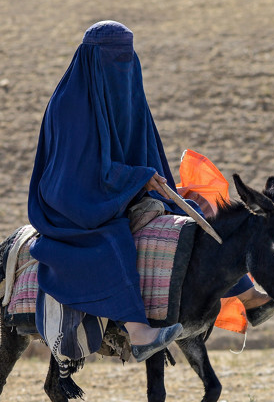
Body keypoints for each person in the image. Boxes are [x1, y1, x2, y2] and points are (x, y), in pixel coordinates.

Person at [27, 20, 186, 362]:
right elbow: (78, 174)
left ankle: (247, 296)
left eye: (127, 57)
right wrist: (138, 177)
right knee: (111, 241)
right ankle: (138, 332)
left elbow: (145, 150)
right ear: (91, 60)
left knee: (189, 213)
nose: (122, 66)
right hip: (72, 203)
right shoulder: (69, 104)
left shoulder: (131, 93)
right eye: (113, 58)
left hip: (118, 192)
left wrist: (152, 182)